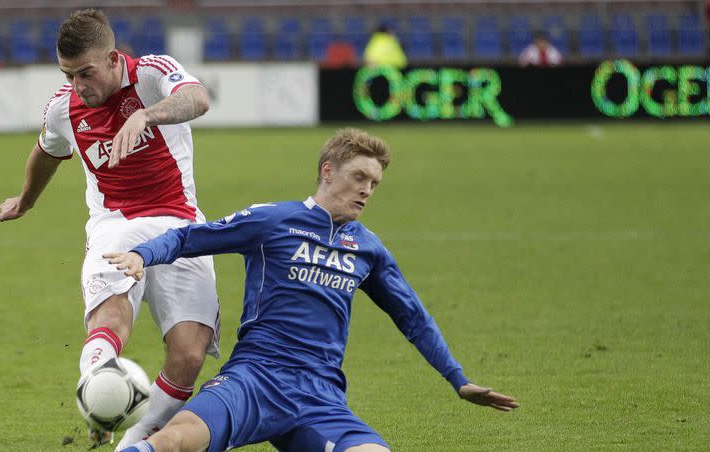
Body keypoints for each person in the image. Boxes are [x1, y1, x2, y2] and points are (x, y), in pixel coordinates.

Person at [106, 128, 519, 452]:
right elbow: (189, 237)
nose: (367, 190)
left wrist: (457, 379)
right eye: (359, 177)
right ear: (327, 171)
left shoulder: (368, 248)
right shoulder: (273, 221)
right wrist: (143, 255)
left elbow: (413, 317)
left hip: (320, 396)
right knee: (175, 441)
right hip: (255, 378)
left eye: (374, 183)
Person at [0, 9, 220, 449]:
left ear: (113, 59)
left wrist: (146, 116)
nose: (78, 85)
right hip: (115, 224)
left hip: (178, 221)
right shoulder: (63, 108)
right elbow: (45, 151)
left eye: (86, 73)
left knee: (190, 354)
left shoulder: (153, 73)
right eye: (68, 74)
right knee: (111, 320)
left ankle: (128, 441)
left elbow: (198, 98)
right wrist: (25, 201)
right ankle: (99, 400)